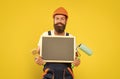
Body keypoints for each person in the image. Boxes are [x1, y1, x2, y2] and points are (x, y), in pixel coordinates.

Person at [32, 7, 80, 79]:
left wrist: (77, 61)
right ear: (54, 20)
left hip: (66, 75)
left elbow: (76, 57)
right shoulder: (45, 35)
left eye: (62, 19)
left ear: (66, 21)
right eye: (57, 18)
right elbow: (38, 53)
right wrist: (37, 60)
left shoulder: (70, 37)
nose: (59, 21)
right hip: (49, 74)